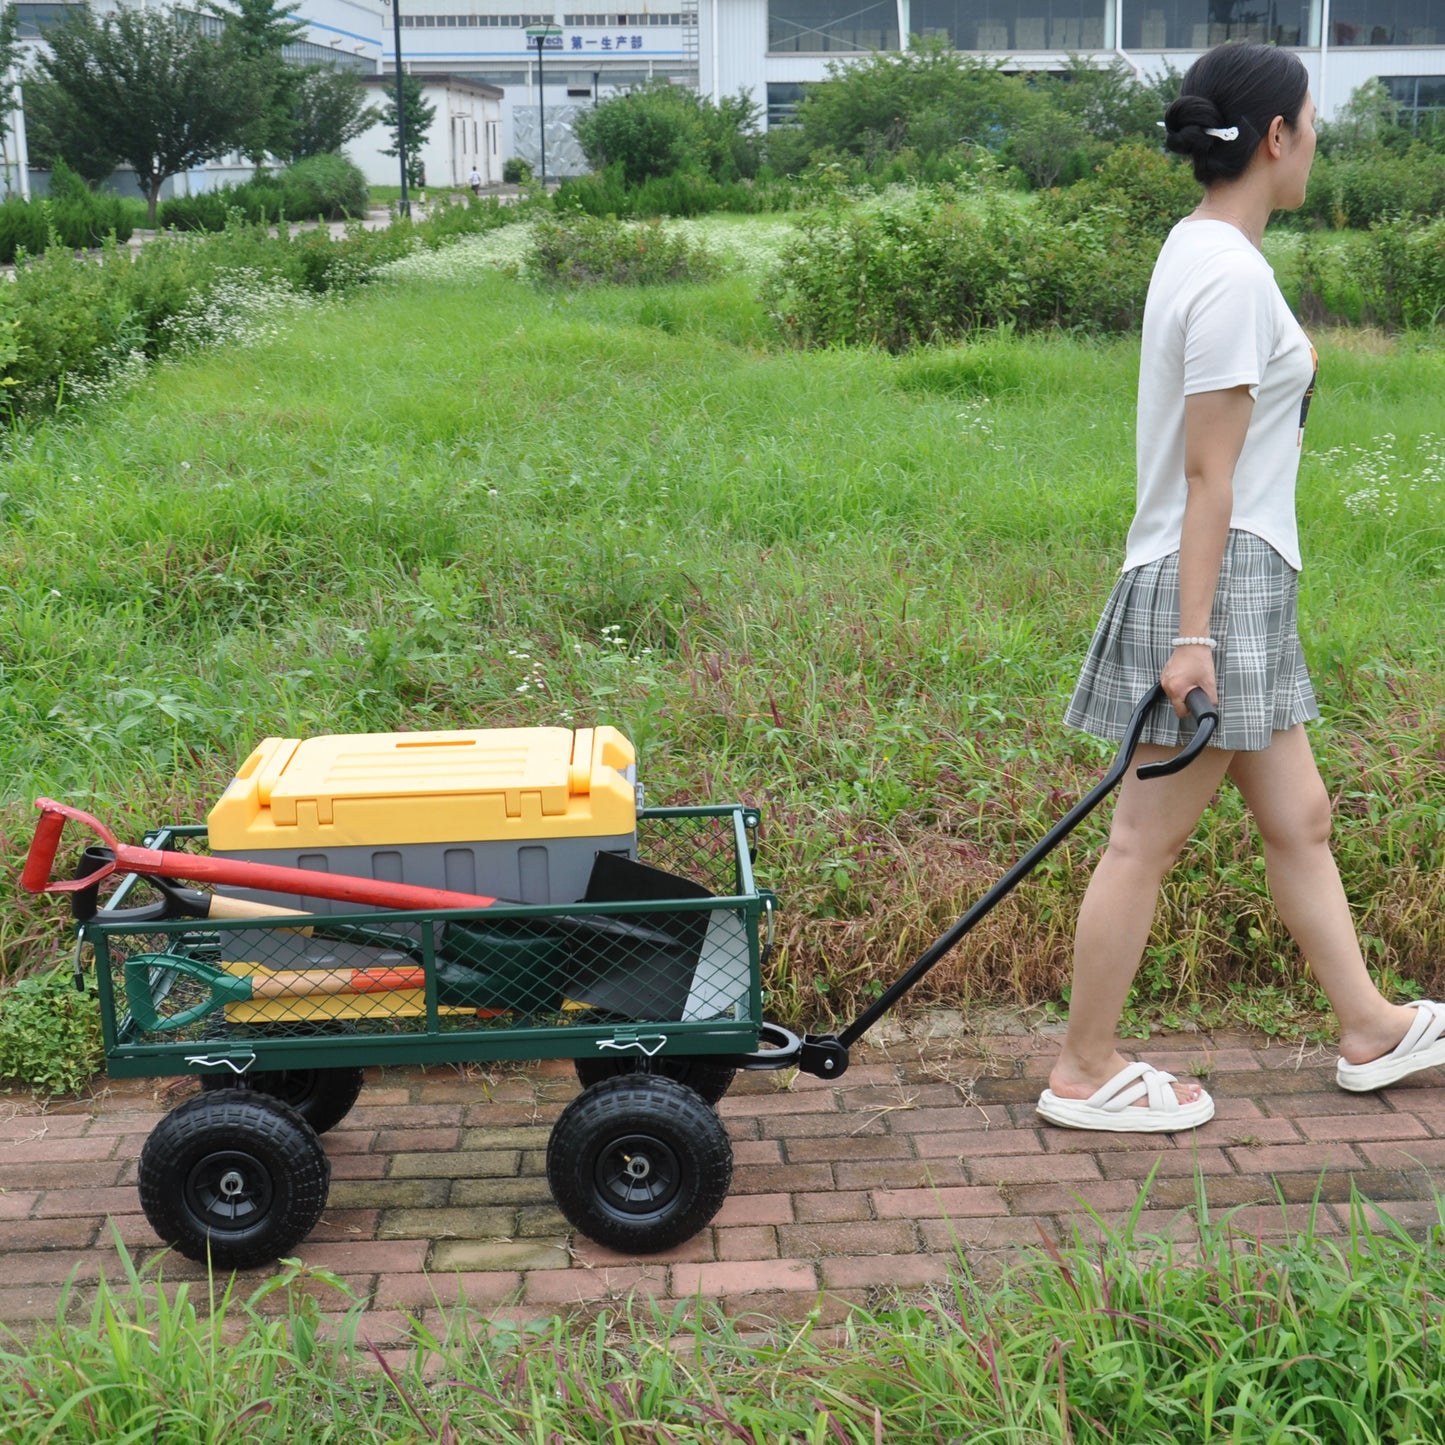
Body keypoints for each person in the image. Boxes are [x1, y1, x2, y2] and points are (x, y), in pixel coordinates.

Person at [1036, 42, 1445, 1133]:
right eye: (1310, 122)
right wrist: (1192, 636)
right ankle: (1080, 1066)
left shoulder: (1200, 248)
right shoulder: (1226, 274)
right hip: (1209, 585)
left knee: (1297, 816)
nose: (1314, 141)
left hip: (1236, 576)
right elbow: (1205, 470)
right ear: (1275, 137)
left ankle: (1367, 1024)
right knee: (1143, 837)